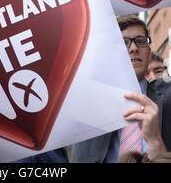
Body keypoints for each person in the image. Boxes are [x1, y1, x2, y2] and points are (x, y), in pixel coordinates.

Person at [70, 15, 171, 163]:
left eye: (141, 42)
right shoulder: (87, 110)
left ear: (149, 54)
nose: (134, 48)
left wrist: (155, 141)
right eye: (123, 43)